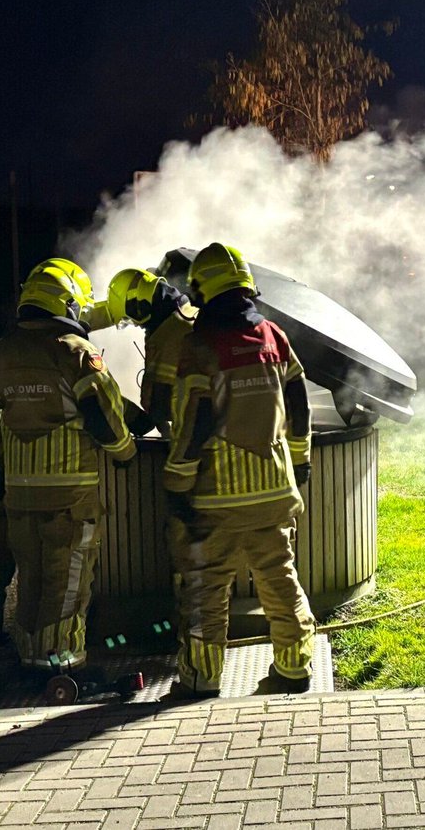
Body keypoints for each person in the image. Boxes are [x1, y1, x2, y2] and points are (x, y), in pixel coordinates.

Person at [0, 260, 135, 673]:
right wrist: (126, 451)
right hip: (69, 497)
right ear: (67, 304)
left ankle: (29, 654)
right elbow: (103, 415)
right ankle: (59, 663)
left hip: (20, 494)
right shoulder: (75, 352)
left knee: (32, 578)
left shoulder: (1, 352)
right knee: (66, 582)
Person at [162, 243, 314, 697]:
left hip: (215, 498)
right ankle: (293, 669)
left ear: (202, 292)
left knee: (206, 590)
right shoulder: (273, 335)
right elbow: (300, 405)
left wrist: (177, 482)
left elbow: (195, 420)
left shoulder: (199, 346)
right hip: (272, 490)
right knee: (280, 580)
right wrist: (300, 463)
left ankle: (201, 679)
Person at [106, 268, 197, 437]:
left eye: (129, 318)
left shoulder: (170, 332)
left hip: (193, 439)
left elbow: (158, 405)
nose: (134, 324)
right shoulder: (180, 318)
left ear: (138, 306)